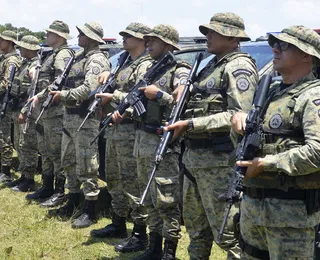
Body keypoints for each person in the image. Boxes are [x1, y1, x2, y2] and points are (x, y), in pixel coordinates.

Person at [165, 13, 258, 260]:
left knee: (228, 233)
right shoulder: (211, 64)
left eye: (213, 32)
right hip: (195, 159)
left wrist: (193, 123)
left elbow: (240, 116)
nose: (208, 36)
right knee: (196, 229)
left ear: (231, 36)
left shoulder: (238, 66)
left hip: (219, 161)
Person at [231, 25, 320, 259]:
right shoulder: (270, 94)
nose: (275, 49)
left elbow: (318, 152)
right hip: (254, 208)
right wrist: (238, 123)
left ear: (306, 55)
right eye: (274, 44)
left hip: (290, 215)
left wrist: (266, 164)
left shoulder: (313, 97)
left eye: (284, 45)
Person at [120, 24, 190, 260]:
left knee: (166, 199)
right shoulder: (150, 69)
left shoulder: (179, 70)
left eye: (153, 41)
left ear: (168, 44)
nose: (148, 44)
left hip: (163, 144)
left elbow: (182, 105)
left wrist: (160, 95)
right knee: (148, 197)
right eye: (146, 41)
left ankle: (169, 251)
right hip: (142, 140)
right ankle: (153, 246)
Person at [89, 22, 153, 253]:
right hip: (114, 129)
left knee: (132, 182)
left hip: (130, 130)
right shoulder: (124, 61)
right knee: (114, 178)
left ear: (142, 40)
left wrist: (113, 94)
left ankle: (139, 233)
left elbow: (140, 97)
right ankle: (118, 223)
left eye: (129, 35)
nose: (123, 38)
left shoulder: (146, 65)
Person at [46, 22, 110, 228]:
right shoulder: (80, 57)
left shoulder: (96, 59)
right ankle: (73, 201)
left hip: (85, 120)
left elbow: (89, 88)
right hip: (71, 117)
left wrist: (63, 95)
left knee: (87, 165)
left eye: (82, 34)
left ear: (91, 37)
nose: (79, 36)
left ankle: (90, 210)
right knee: (68, 161)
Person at [26, 20, 74, 207]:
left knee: (55, 153)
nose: (46, 36)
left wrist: (41, 95)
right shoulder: (52, 53)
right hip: (46, 111)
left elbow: (60, 81)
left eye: (50, 33)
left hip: (55, 111)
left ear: (60, 36)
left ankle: (59, 191)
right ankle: (47, 186)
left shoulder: (62, 54)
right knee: (45, 151)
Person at [5, 35, 41, 192]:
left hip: (26, 110)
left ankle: (29, 179)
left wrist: (25, 111)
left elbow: (33, 90)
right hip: (17, 108)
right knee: (19, 144)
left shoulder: (35, 66)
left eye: (23, 47)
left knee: (27, 145)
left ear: (30, 48)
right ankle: (24, 176)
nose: (20, 49)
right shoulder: (25, 63)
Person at [0, 30, 22, 183]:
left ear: (9, 42)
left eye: (2, 40)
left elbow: (6, 83)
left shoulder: (12, 60)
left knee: (4, 136)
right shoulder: (5, 58)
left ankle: (6, 171)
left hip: (5, 103)